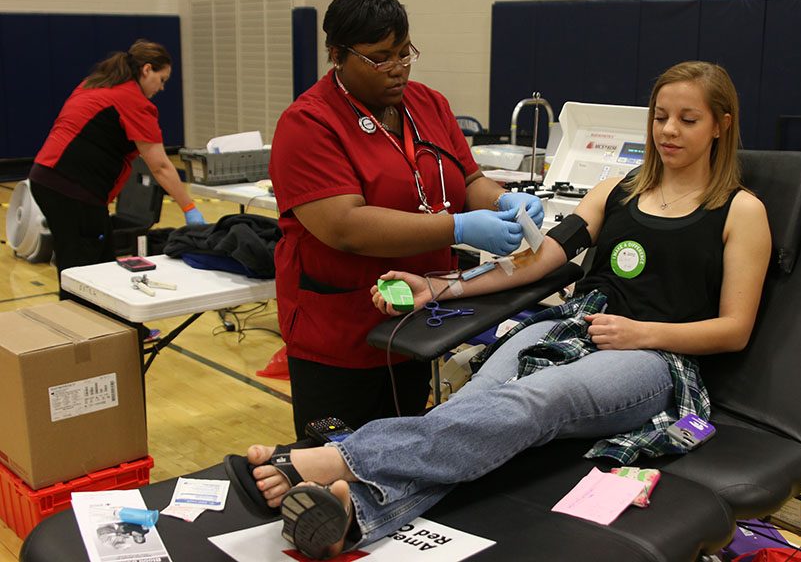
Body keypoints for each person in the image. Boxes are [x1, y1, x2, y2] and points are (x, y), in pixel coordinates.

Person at [226, 60, 772, 558]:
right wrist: (440, 287)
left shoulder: (741, 212)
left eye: (688, 119)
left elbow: (734, 330)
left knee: (537, 400)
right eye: (661, 117)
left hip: (655, 359)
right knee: (472, 412)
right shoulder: (617, 191)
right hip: (575, 329)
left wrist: (641, 333)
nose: (669, 130)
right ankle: (356, 516)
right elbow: (539, 260)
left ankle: (344, 456)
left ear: (721, 125)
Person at [268, 0, 544, 435]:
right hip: (342, 331)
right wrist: (457, 226)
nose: (396, 69)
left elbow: (467, 180)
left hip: (419, 321)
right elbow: (345, 227)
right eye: (379, 57)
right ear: (336, 54)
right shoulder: (309, 123)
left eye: (404, 52)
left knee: (406, 447)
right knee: (337, 457)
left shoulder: (428, 103)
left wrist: (500, 200)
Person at [29, 39, 205, 296]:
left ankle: (114, 327)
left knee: (100, 257)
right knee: (84, 269)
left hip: (48, 180)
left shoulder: (96, 84)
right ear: (146, 70)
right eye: (162, 79)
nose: (162, 87)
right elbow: (160, 166)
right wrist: (189, 207)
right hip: (72, 190)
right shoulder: (132, 100)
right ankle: (89, 330)